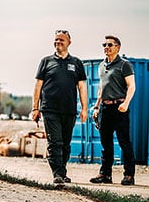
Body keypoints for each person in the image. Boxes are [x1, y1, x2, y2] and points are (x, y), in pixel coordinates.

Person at [31, 29, 87, 185]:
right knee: (55, 142)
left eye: (61, 40)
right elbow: (38, 86)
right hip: (49, 109)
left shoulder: (76, 63)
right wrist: (35, 108)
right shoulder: (46, 61)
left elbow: (82, 87)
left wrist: (84, 109)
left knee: (65, 143)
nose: (58, 42)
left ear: (69, 42)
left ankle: (62, 170)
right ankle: (57, 174)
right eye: (56, 40)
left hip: (69, 110)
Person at [89, 35, 136, 185]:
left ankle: (129, 174)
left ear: (118, 47)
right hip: (105, 108)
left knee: (124, 142)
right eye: (104, 44)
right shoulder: (102, 65)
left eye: (110, 44)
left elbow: (131, 86)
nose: (106, 47)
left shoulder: (124, 65)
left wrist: (126, 104)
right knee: (106, 143)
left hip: (120, 107)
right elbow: (101, 88)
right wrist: (96, 107)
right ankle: (105, 174)